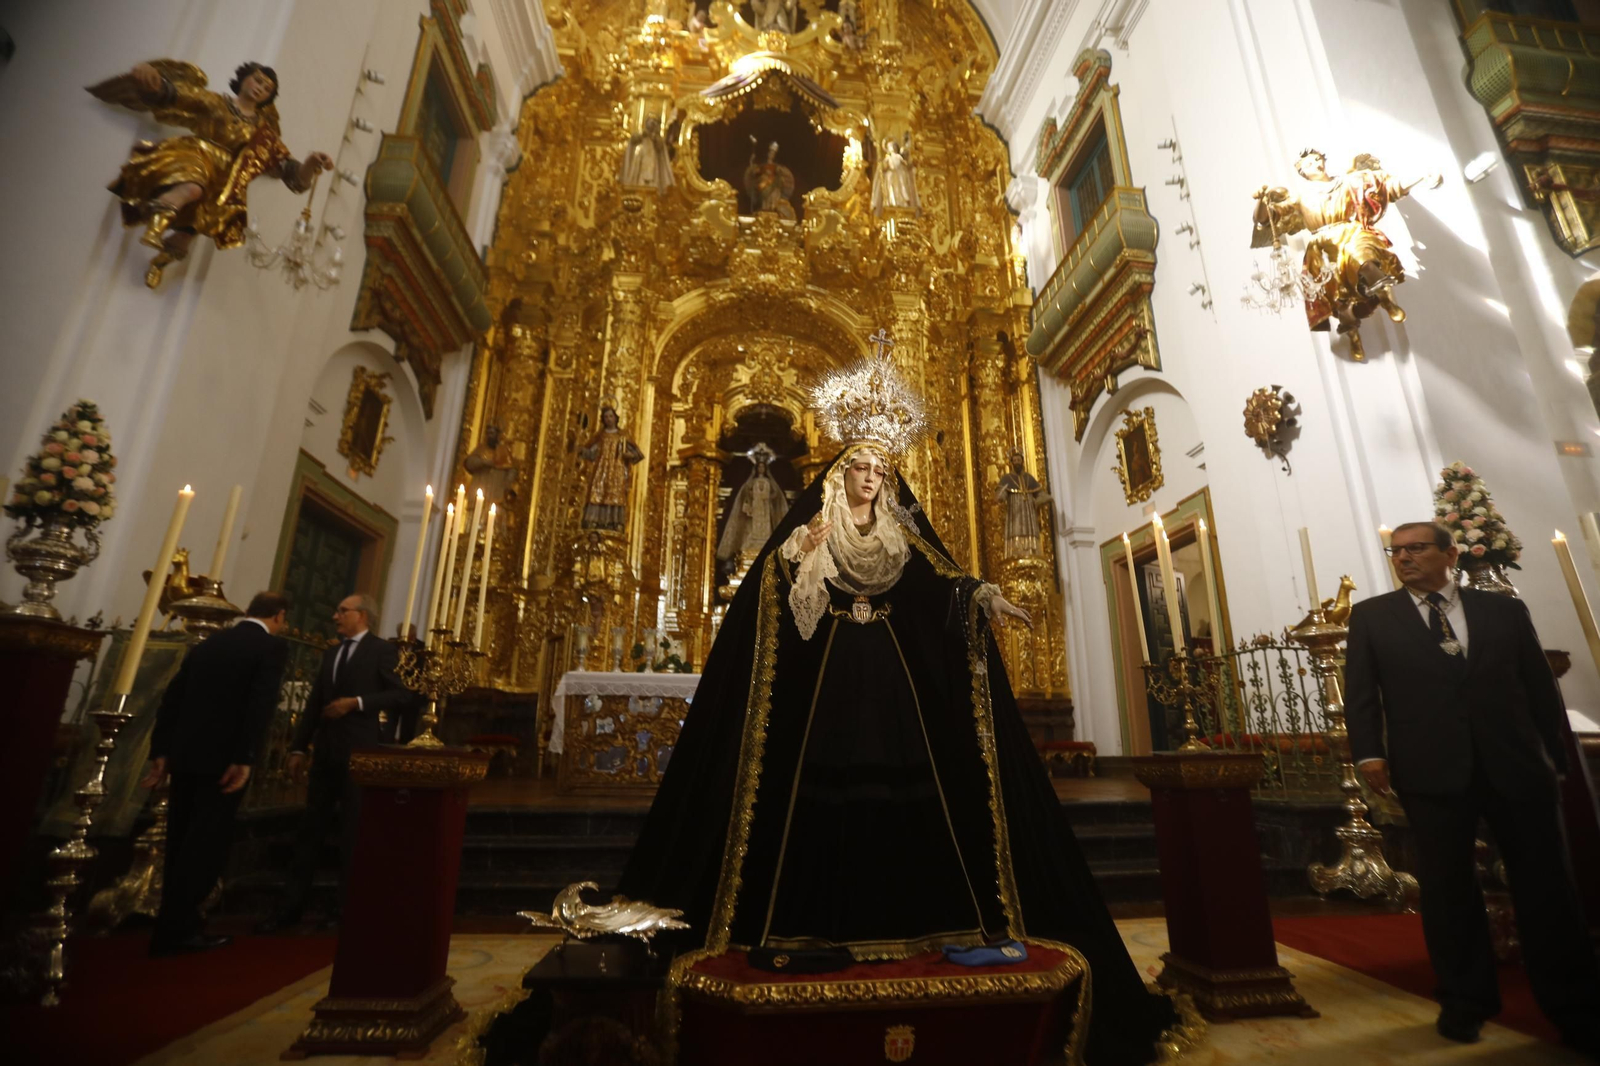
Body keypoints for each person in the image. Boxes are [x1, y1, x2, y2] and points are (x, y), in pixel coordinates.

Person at [618, 351, 1180, 1063]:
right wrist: (801, 559)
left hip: (892, 688)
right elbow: (781, 607)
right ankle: (809, 918)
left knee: (909, 793)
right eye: (861, 470)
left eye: (880, 473)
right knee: (816, 796)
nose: (871, 479)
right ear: (839, 473)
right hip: (829, 686)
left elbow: (937, 584)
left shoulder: (899, 534)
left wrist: (983, 597)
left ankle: (921, 912)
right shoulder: (809, 531)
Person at [1345, 521, 1600, 1054]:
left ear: (1450, 553)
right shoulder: (1372, 616)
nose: (1405, 558)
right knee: (1446, 890)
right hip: (1430, 771)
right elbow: (1362, 693)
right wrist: (1369, 753)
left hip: (1516, 767)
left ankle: (1575, 1006)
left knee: (1547, 890)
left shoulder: (1503, 611)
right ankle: (1464, 1002)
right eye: (1397, 551)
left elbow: (1537, 687)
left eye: (1417, 548)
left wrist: (1552, 758)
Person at [87, 59, 332, 287]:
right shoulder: (215, 102)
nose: (260, 88)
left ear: (268, 98)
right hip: (197, 155)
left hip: (222, 183)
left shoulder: (263, 133)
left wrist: (310, 162)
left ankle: (159, 262)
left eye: (266, 88)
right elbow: (177, 95)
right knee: (192, 187)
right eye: (257, 80)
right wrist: (151, 79)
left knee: (183, 240)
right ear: (244, 78)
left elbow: (292, 175)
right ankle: (154, 228)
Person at [141, 592, 290, 956]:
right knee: (206, 845)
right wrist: (246, 757)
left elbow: (172, 698)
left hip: (186, 756)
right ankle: (180, 930)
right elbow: (259, 705)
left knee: (180, 840)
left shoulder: (210, 644)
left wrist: (161, 752)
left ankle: (170, 927)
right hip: (225, 762)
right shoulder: (270, 648)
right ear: (279, 616)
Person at [256, 593, 416, 932]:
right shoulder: (331, 653)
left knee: (353, 831)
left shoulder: (382, 650)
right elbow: (316, 702)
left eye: (342, 611)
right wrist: (299, 748)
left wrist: (356, 703)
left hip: (360, 751)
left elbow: (402, 693)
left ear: (362, 616)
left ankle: (346, 910)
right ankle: (289, 909)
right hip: (326, 751)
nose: (335, 616)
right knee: (310, 831)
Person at [578, 405, 644, 531]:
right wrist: (581, 450)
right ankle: (595, 521)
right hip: (601, 469)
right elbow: (591, 453)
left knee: (615, 495)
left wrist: (628, 455)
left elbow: (638, 454)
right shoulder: (600, 436)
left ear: (615, 418)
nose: (609, 419)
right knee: (598, 493)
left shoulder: (623, 435)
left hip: (617, 470)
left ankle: (614, 522)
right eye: (606, 417)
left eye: (611, 416)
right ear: (603, 419)